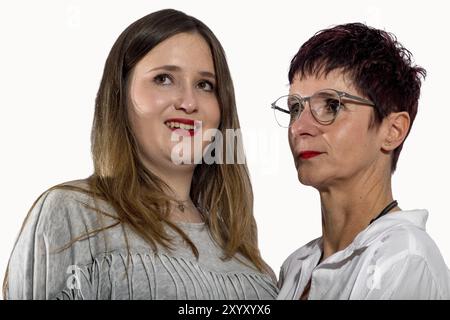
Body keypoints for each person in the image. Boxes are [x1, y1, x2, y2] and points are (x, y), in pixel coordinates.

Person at [3, 9, 278, 300]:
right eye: (163, 79)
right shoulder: (72, 213)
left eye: (204, 85)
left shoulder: (241, 247)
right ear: (119, 95)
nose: (188, 102)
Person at [272, 23, 450, 299]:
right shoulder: (295, 267)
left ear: (393, 131)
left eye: (331, 105)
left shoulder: (404, 259)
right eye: (295, 108)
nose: (298, 127)